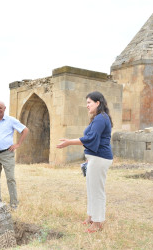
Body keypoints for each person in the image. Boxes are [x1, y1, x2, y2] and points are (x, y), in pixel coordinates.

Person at [56, 91, 113, 233]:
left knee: (97, 191)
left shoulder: (101, 118)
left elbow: (91, 138)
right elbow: (92, 139)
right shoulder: (98, 118)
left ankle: (98, 222)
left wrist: (69, 142)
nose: (87, 105)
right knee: (91, 189)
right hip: (95, 158)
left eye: (89, 102)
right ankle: (92, 217)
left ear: (97, 103)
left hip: (100, 158)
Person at [0, 101, 29, 209]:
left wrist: (18, 144)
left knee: (10, 178)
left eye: (0, 108)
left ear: (4, 108)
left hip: (7, 153)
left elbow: (25, 130)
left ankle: (14, 204)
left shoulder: (11, 120)